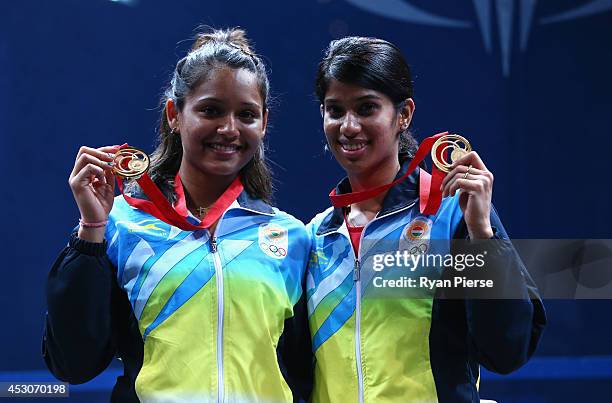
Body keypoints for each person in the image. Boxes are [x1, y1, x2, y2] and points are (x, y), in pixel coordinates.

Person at [43, 28, 312, 402]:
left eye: (246, 114)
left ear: (263, 123)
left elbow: (302, 375)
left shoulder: (292, 237)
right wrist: (91, 230)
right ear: (174, 114)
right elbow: (74, 363)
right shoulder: (121, 224)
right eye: (211, 110)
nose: (229, 129)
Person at [305, 36, 546, 402]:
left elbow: (506, 350)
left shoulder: (453, 214)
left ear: (403, 115)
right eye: (335, 110)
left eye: (367, 108)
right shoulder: (316, 236)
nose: (349, 126)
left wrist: (482, 235)